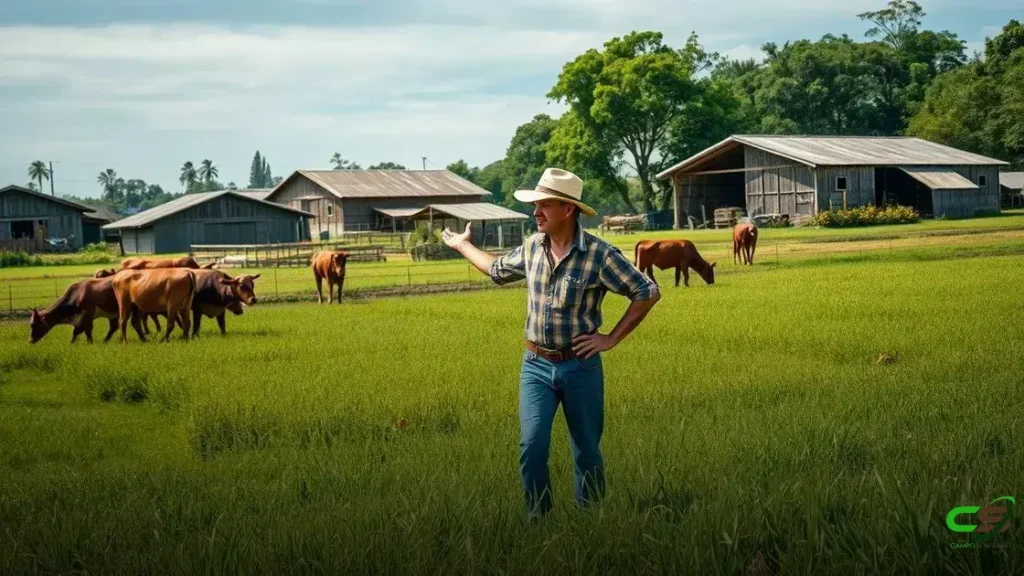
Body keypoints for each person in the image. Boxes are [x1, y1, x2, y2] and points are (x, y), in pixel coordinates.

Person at [441, 167, 661, 519]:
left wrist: (611, 338)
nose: (536, 212)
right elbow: (497, 269)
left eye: (544, 204)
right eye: (536, 204)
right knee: (532, 445)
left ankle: (590, 519)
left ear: (568, 209)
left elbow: (647, 291)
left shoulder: (599, 255)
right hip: (536, 366)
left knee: (587, 450)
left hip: (581, 366)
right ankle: (538, 521)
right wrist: (463, 245)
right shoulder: (532, 247)